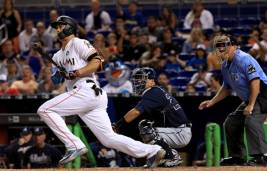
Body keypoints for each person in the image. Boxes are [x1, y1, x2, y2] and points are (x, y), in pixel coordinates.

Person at [36, 15, 165, 168]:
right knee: (108, 139)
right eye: (56, 26)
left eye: (60, 25)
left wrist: (76, 72)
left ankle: (74, 145)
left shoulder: (78, 42)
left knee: (44, 110)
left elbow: (97, 62)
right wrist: (58, 74)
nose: (57, 29)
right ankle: (153, 151)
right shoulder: (57, 56)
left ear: (70, 27)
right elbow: (56, 81)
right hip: (88, 96)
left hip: (86, 89)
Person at [198, 35, 267, 166]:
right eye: (219, 46)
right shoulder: (225, 65)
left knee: (251, 120)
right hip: (251, 97)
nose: (221, 49)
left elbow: (255, 82)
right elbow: (226, 88)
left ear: (235, 46)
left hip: (264, 94)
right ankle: (237, 157)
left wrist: (251, 105)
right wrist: (211, 101)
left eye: (224, 45)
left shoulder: (244, 58)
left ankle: (262, 157)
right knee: (231, 123)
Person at [113, 67, 192, 167]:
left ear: (152, 81)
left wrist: (118, 124)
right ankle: (155, 160)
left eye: (142, 79)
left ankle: (172, 156)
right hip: (176, 130)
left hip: (180, 133)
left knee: (148, 132)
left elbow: (136, 112)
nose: (138, 82)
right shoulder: (156, 91)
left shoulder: (153, 92)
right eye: (137, 79)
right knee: (145, 126)